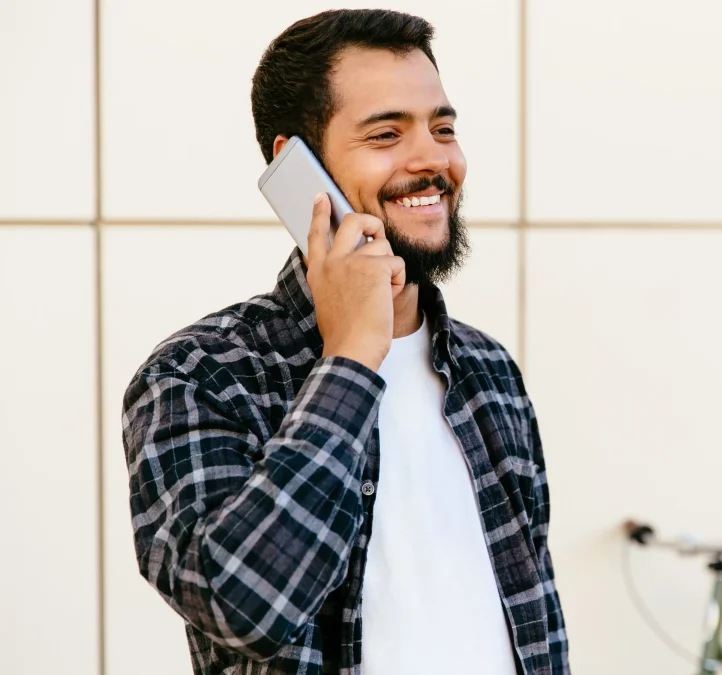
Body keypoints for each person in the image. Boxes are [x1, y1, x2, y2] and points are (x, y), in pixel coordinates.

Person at [121, 9, 569, 674]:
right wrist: (351, 358)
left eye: (442, 128)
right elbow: (245, 605)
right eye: (386, 133)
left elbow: (533, 628)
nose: (433, 159)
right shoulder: (199, 375)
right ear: (296, 167)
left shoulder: (489, 371)